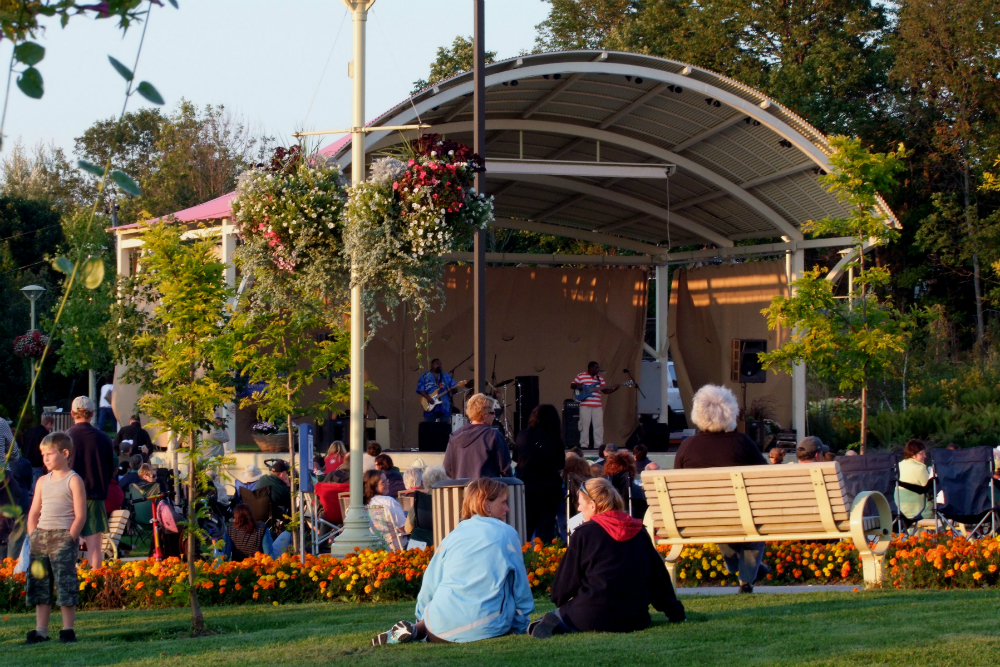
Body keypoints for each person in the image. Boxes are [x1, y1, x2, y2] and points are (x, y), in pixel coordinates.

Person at [371, 478, 534, 645]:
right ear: (487, 505)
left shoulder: (453, 536)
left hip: (437, 627)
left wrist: (422, 616)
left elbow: (430, 583)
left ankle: (417, 628)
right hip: (486, 626)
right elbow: (520, 587)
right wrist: (521, 624)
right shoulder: (507, 534)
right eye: (504, 502)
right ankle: (418, 629)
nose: (507, 509)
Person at [530, 478, 685, 638]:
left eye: (580, 503)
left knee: (558, 615)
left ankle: (553, 621)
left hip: (591, 614)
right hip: (635, 617)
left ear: (593, 505)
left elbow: (564, 584)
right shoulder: (639, 531)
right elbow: (659, 581)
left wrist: (561, 601)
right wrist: (676, 613)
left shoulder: (584, 533)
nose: (579, 508)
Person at [673, 384, 769, 593]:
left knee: (721, 517)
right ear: (730, 412)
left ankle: (740, 567)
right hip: (741, 514)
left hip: (700, 518)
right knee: (755, 520)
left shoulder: (687, 446)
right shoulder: (742, 443)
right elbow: (765, 478)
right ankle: (747, 577)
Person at [24, 431, 86, 644]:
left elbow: (80, 515)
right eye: (43, 455)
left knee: (65, 583)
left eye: (49, 454)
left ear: (65, 453)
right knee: (40, 584)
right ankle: (41, 631)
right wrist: (33, 534)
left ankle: (68, 630)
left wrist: (70, 537)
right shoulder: (42, 481)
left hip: (63, 536)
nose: (45, 459)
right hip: (40, 536)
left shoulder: (74, 480)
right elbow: (34, 512)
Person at [66, 396, 115, 569]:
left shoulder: (66, 438)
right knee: (94, 548)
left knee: (67, 545)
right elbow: (111, 467)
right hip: (94, 496)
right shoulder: (104, 438)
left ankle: (67, 580)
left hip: (68, 497)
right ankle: (96, 579)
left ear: (72, 413)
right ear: (92, 414)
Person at [513, 404, 565, 544]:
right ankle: (543, 556)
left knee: (525, 530)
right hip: (549, 490)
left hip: (527, 488)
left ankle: (523, 555)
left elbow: (516, 458)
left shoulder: (523, 435)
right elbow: (561, 466)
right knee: (545, 531)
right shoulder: (555, 438)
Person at [444, 393, 512, 480]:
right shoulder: (493, 435)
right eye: (492, 412)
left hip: (461, 488)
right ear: (484, 415)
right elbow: (505, 469)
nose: (494, 416)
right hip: (486, 487)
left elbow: (447, 469)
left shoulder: (455, 436)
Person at [570, 362, 621, 449]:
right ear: (591, 368)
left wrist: (614, 389)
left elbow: (605, 391)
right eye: (596, 368)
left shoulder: (600, 378)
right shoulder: (581, 376)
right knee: (584, 425)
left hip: (597, 405)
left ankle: (598, 445)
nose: (598, 369)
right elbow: (572, 385)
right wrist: (577, 385)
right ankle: (584, 444)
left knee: (598, 426)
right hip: (585, 405)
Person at [223, 503, 292, 561]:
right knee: (286, 534)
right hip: (259, 564)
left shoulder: (230, 530)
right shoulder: (261, 528)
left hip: (238, 566)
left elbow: (226, 556)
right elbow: (269, 555)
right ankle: (293, 559)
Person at [404, 467, 448, 546]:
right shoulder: (450, 501)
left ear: (424, 482)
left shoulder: (421, 500)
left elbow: (408, 529)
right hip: (445, 544)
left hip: (421, 547)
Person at [417, 358, 470, 423]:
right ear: (432, 365)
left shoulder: (446, 376)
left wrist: (454, 389)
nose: (439, 365)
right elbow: (420, 389)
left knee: (445, 426)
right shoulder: (425, 376)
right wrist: (428, 398)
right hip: (429, 405)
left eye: (440, 364)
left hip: (444, 405)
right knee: (429, 427)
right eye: (437, 364)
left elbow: (454, 389)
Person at [898, 439, 932, 520]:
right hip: (920, 513)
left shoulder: (899, 465)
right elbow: (931, 492)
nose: (925, 456)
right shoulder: (920, 468)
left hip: (900, 512)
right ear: (913, 454)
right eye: (921, 453)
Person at [20, 415, 53, 491]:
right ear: (49, 423)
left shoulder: (30, 431)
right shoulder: (45, 434)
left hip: (26, 460)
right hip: (37, 463)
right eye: (52, 425)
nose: (51, 428)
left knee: (29, 483)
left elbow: (23, 445)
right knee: (38, 484)